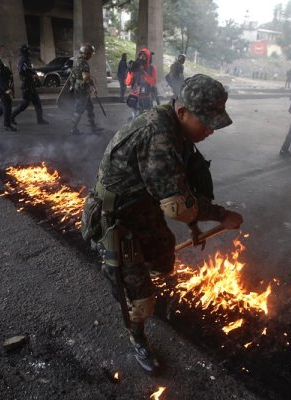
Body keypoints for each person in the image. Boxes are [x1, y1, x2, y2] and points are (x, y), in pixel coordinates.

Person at [81, 74, 243, 374]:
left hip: (144, 207)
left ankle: (138, 277)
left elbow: (181, 187)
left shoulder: (177, 130)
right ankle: (136, 333)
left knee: (164, 260)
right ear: (182, 111)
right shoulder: (159, 135)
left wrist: (194, 227)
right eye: (205, 122)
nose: (210, 130)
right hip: (117, 221)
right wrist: (222, 215)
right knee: (140, 299)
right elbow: (179, 206)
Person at [69, 43, 104, 135]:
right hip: (83, 89)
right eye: (90, 54)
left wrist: (73, 85)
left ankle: (93, 127)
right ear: (85, 54)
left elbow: (72, 75)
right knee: (79, 108)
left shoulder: (76, 61)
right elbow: (86, 77)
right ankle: (73, 129)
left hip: (78, 87)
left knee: (90, 107)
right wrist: (92, 86)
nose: (91, 55)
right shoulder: (84, 63)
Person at [11, 44, 48, 125]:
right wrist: (32, 75)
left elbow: (29, 70)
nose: (29, 52)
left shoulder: (26, 60)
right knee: (24, 105)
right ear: (25, 51)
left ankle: (40, 119)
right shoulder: (23, 60)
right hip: (27, 85)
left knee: (37, 103)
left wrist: (34, 75)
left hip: (30, 85)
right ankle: (11, 117)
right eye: (28, 50)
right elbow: (22, 71)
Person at [125, 48, 157, 120]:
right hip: (135, 97)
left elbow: (153, 82)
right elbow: (127, 83)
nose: (141, 58)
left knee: (147, 119)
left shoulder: (152, 68)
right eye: (140, 56)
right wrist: (130, 72)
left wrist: (143, 73)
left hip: (146, 98)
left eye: (144, 56)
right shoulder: (135, 67)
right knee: (134, 119)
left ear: (148, 58)